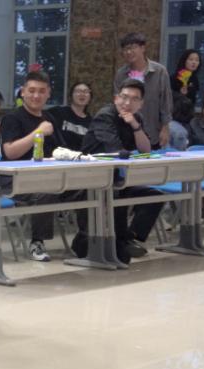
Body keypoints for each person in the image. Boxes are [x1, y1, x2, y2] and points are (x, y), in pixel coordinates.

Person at [76, 79, 165, 264]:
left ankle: (129, 237)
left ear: (141, 104)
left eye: (134, 99)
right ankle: (97, 243)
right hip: (93, 178)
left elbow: (146, 150)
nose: (127, 103)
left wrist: (135, 126)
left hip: (118, 177)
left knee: (154, 196)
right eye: (124, 97)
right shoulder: (105, 116)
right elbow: (115, 150)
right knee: (117, 195)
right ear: (116, 98)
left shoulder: (136, 118)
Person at [0, 70, 66, 262]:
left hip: (48, 176)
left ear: (48, 93)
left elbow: (60, 149)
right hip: (16, 180)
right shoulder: (12, 118)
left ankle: (88, 240)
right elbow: (10, 152)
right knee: (46, 192)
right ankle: (37, 242)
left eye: (41, 91)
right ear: (23, 92)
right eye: (32, 90)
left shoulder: (49, 118)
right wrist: (38, 132)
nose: (36, 95)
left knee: (88, 189)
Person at [114, 32, 172, 149]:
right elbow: (118, 102)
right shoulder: (121, 74)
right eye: (125, 49)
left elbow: (166, 101)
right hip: (128, 132)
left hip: (153, 130)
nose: (129, 52)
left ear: (143, 48)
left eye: (133, 47)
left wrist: (165, 127)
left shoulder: (159, 71)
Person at [47, 81, 93, 151]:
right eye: (78, 91)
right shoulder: (57, 112)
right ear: (71, 95)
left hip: (80, 156)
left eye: (86, 92)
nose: (82, 94)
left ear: (90, 97)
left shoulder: (92, 123)